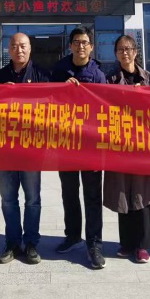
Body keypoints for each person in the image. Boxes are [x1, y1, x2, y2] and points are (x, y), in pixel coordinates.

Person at [50, 26, 108, 270]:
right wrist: (63, 89)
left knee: (93, 196)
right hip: (66, 142)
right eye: (76, 42)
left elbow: (105, 106)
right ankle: (72, 235)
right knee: (69, 192)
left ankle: (94, 244)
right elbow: (48, 101)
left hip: (91, 144)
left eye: (85, 42)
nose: (80, 46)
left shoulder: (99, 74)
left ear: (91, 47)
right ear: (70, 45)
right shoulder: (59, 69)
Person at [103, 35, 150, 263]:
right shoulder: (110, 79)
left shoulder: (148, 78)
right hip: (119, 145)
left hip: (143, 146)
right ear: (116, 54)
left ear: (136, 52)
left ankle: (143, 245)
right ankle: (127, 243)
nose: (124, 53)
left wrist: (144, 97)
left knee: (142, 194)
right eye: (120, 49)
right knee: (123, 194)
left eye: (128, 49)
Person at [0, 32, 47, 264]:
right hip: (4, 147)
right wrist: (2, 95)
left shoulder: (42, 74)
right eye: (14, 46)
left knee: (32, 199)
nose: (19, 50)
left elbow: (51, 106)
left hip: (31, 148)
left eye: (23, 46)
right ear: (8, 49)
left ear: (30, 48)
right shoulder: (0, 76)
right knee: (8, 199)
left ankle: (31, 243)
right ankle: (12, 243)